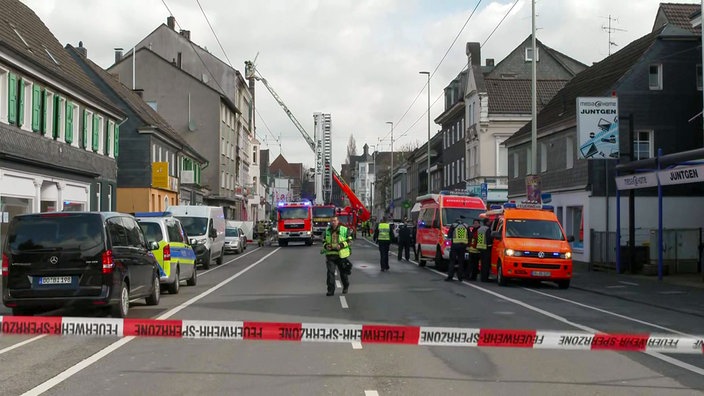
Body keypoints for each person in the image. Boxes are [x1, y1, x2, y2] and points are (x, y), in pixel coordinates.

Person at [322, 216, 352, 296]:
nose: (333, 222)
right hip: (330, 254)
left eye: (334, 221)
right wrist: (326, 246)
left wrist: (341, 245)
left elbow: (349, 241)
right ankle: (330, 290)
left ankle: (346, 285)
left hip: (341, 255)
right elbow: (324, 241)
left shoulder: (344, 229)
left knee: (343, 273)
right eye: (332, 221)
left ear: (338, 221)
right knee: (330, 273)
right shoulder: (327, 230)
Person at [445, 216, 469, 281]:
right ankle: (460, 277)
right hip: (463, 246)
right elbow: (469, 236)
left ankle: (450, 276)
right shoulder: (466, 226)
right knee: (461, 262)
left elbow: (449, 236)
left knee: (452, 261)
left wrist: (448, 245)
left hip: (455, 246)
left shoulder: (453, 226)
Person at [477, 217, 492, 282]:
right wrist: (490, 246)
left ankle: (482, 277)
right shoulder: (488, 229)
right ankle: (485, 278)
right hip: (486, 248)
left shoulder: (480, 229)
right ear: (486, 222)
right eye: (489, 221)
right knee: (486, 264)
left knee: (482, 264)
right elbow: (488, 239)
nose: (490, 222)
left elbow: (480, 239)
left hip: (480, 248)